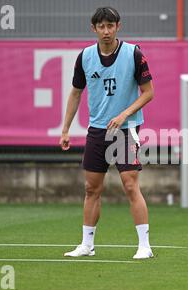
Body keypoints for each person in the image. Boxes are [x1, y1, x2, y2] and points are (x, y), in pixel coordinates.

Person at [60, 7, 154, 259]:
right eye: (101, 26)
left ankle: (144, 245)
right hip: (97, 130)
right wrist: (66, 128)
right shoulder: (85, 57)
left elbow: (148, 92)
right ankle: (87, 245)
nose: (106, 31)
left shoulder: (134, 53)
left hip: (126, 129)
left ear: (118, 26)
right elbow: (76, 93)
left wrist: (125, 114)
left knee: (130, 184)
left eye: (110, 26)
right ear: (94, 29)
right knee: (91, 188)